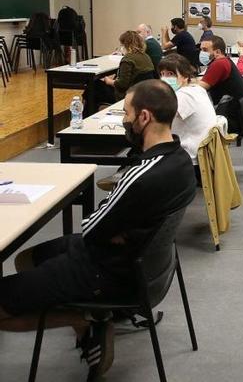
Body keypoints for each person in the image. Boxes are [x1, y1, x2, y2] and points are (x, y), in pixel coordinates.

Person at [0, 80, 196, 381]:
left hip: (106, 271)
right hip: (141, 265)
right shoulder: (180, 160)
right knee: (27, 259)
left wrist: (110, 223)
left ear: (144, 117)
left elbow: (92, 227)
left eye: (126, 114)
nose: (124, 122)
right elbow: (106, 224)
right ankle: (90, 317)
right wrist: (116, 226)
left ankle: (80, 318)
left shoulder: (142, 175)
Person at [157, 53, 216, 163]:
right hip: (202, 152)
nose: (165, 78)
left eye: (170, 74)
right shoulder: (196, 89)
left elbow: (159, 122)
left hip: (189, 157)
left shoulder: (183, 96)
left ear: (185, 76)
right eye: (162, 74)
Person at [90, 31, 155, 111]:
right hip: (143, 94)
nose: (121, 47)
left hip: (126, 96)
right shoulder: (146, 57)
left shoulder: (127, 60)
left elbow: (122, 84)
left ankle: (87, 115)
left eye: (122, 45)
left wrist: (109, 81)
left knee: (94, 85)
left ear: (126, 45)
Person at [197, 36, 243, 105]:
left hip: (228, 111)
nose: (201, 53)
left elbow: (199, 88)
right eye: (201, 50)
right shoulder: (225, 60)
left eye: (205, 50)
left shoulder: (219, 63)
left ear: (217, 52)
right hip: (232, 106)